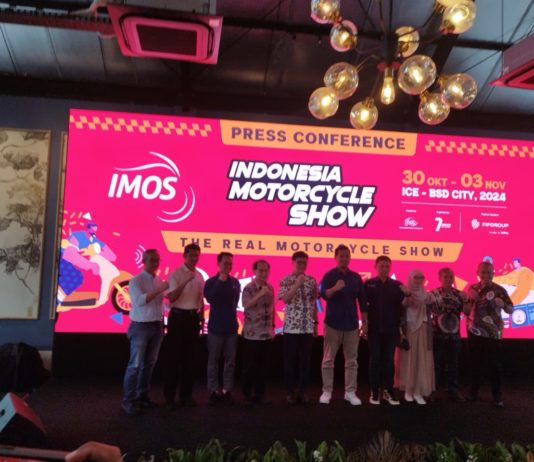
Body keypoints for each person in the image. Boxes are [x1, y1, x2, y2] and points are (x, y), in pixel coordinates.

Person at [319, 244, 367, 406]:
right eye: (341, 256)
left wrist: (365, 322)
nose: (344, 259)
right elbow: (324, 295)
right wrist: (335, 288)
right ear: (336, 257)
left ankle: (350, 392)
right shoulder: (329, 275)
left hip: (352, 325)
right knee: (328, 360)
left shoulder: (356, 277)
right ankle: (327, 391)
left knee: (352, 361)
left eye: (347, 256)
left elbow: (362, 302)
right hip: (332, 324)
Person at [121, 249, 168, 415]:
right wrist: (160, 289)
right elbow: (140, 301)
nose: (155, 263)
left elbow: (160, 303)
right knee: (135, 365)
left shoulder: (158, 280)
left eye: (157, 260)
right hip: (140, 327)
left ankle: (142, 397)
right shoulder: (136, 280)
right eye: (152, 260)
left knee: (148, 365)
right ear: (144, 261)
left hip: (156, 326)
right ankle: (128, 400)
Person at [465, 261, 514, 407]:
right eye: (483, 272)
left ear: (493, 273)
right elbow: (466, 311)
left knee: (495, 366)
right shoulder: (472, 288)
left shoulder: (500, 290)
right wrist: (469, 300)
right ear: (478, 273)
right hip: (474, 331)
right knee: (474, 364)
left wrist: (503, 304)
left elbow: (511, 310)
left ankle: (497, 397)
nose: (486, 275)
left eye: (489, 272)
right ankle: (473, 394)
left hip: (493, 333)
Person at [163, 243, 205, 409]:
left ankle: (186, 396)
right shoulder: (176, 274)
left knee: (190, 360)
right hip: (178, 318)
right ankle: (169, 399)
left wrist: (201, 318)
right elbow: (171, 298)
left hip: (193, 319)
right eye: (191, 255)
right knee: (173, 360)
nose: (194, 259)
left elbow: (200, 298)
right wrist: (185, 282)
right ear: (184, 256)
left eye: (197, 256)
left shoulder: (199, 275)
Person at [364, 255, 408, 406]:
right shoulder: (369, 284)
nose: (384, 269)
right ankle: (374, 391)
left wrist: (407, 294)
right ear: (375, 267)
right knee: (375, 360)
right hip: (374, 329)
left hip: (391, 329)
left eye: (387, 266)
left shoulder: (397, 285)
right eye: (381, 266)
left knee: (389, 361)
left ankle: (388, 391)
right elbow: (363, 306)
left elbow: (404, 307)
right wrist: (365, 324)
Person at [278, 251, 318, 405]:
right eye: (299, 262)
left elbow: (313, 303)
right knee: (290, 362)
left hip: (307, 327)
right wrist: (297, 284)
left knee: (305, 362)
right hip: (291, 328)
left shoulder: (312, 280)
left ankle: (302, 391)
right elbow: (285, 299)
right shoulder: (285, 280)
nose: (302, 265)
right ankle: (290, 392)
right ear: (293, 263)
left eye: (304, 262)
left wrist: (316, 323)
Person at [204, 252, 241, 405]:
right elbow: (210, 298)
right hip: (215, 327)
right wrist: (220, 281)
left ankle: (227, 390)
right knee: (213, 360)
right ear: (218, 264)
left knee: (230, 361)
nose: (228, 266)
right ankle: (213, 391)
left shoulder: (235, 282)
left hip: (231, 327)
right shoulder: (211, 282)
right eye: (225, 263)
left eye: (230, 264)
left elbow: (234, 302)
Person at [396, 269, 436, 405]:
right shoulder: (404, 293)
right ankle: (408, 390)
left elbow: (435, 306)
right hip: (408, 329)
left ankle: (418, 391)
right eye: (416, 277)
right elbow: (403, 305)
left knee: (421, 359)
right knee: (409, 358)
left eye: (421, 277)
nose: (418, 280)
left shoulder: (428, 295)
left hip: (423, 329)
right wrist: (407, 295)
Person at [241, 259, 275, 405]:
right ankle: (247, 395)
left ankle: (260, 395)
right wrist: (260, 294)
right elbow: (246, 305)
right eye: (260, 270)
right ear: (254, 271)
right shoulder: (248, 288)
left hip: (266, 333)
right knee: (249, 367)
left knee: (263, 367)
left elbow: (272, 308)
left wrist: (273, 327)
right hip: (252, 334)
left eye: (266, 270)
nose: (263, 273)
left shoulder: (270, 287)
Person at [431, 267, 467, 402]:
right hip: (437, 335)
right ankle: (433, 390)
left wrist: (467, 301)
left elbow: (467, 312)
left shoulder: (460, 294)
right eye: (445, 277)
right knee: (436, 364)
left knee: (453, 364)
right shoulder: (433, 294)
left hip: (454, 335)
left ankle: (453, 390)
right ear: (439, 278)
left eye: (451, 277)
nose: (448, 279)